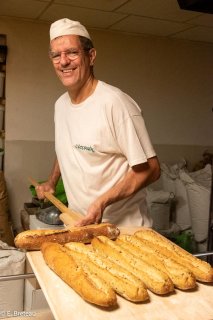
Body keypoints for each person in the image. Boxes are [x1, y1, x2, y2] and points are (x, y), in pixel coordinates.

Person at [36, 18, 160, 227]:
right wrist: (51, 182)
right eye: (56, 55)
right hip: (80, 226)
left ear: (91, 56)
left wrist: (102, 202)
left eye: (72, 53)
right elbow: (68, 147)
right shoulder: (60, 105)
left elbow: (151, 169)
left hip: (123, 231)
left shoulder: (115, 103)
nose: (63, 61)